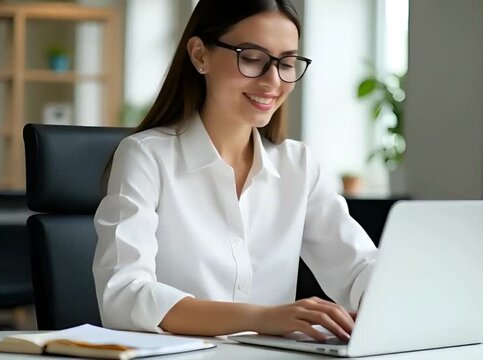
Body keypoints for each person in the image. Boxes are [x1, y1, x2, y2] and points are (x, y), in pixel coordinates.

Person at [93, 0, 378, 342]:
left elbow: (359, 267)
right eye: (253, 58)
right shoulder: (146, 156)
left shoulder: (298, 166)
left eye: (287, 63)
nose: (273, 81)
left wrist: (394, 301)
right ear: (200, 55)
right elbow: (124, 296)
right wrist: (263, 317)